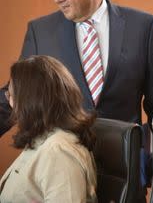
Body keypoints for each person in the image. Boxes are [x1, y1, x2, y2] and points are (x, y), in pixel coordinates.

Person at [0, 0, 153, 188]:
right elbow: (18, 94)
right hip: (62, 170)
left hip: (125, 172)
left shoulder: (143, 26)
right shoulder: (41, 31)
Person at [0, 55, 97, 202]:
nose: (10, 103)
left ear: (30, 101)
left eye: (10, 95)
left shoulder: (59, 152)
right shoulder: (43, 138)